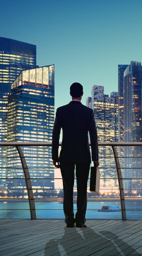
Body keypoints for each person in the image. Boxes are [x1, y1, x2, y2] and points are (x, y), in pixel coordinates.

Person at [52, 82, 99, 228]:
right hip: (83, 157)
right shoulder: (88, 112)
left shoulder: (61, 111)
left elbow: (55, 135)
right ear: (82, 94)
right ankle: (80, 221)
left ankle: (69, 221)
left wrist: (55, 156)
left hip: (65, 156)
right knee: (82, 190)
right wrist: (96, 158)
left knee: (67, 189)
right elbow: (93, 136)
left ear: (70, 93)